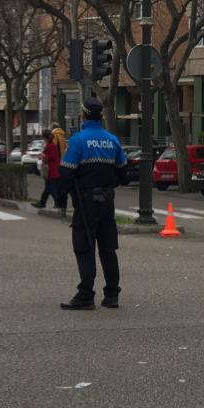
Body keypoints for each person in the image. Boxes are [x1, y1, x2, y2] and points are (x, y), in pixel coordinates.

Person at [58, 97, 127, 310]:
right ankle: (112, 294)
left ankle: (86, 295)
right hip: (107, 200)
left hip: (86, 201)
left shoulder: (78, 141)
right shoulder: (112, 140)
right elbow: (123, 173)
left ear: (84, 115)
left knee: (84, 246)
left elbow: (66, 173)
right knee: (108, 248)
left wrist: (62, 200)